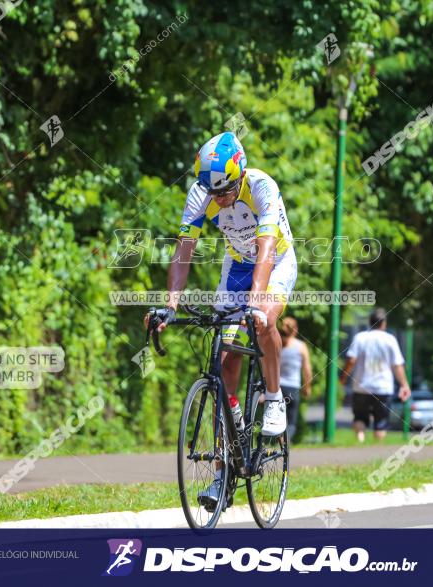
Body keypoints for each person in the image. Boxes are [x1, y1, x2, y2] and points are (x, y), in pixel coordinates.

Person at [148, 132, 297, 507]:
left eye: (226, 191)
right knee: (223, 359)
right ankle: (223, 468)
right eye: (213, 193)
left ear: (241, 174)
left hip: (275, 262)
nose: (220, 199)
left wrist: (255, 304)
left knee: (262, 319)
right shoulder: (202, 193)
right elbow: (184, 251)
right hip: (236, 267)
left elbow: (265, 250)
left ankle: (274, 397)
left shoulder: (263, 187)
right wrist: (170, 305)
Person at [339, 307, 411, 443]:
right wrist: (404, 385)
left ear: (370, 322)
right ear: (384, 323)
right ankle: (376, 449)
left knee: (359, 417)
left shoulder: (360, 337)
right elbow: (397, 365)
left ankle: (360, 443)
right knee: (381, 421)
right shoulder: (390, 339)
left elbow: (351, 361)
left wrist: (343, 378)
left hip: (361, 386)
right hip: (383, 387)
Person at [278, 316, 312, 441]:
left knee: (276, 417)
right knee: (291, 421)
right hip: (293, 388)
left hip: (276, 387)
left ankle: (277, 439)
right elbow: (307, 369)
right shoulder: (301, 346)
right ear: (295, 330)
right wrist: (307, 387)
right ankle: (284, 442)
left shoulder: (276, 344)